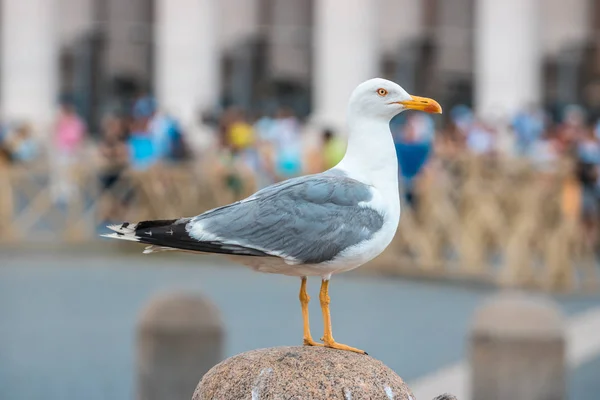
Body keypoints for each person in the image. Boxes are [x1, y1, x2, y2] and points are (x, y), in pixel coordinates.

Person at [51, 103, 86, 203]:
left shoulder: (77, 122)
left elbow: (80, 136)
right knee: (61, 172)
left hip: (73, 150)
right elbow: (55, 134)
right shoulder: (61, 122)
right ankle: (60, 193)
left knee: (73, 172)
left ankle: (72, 192)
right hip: (63, 150)